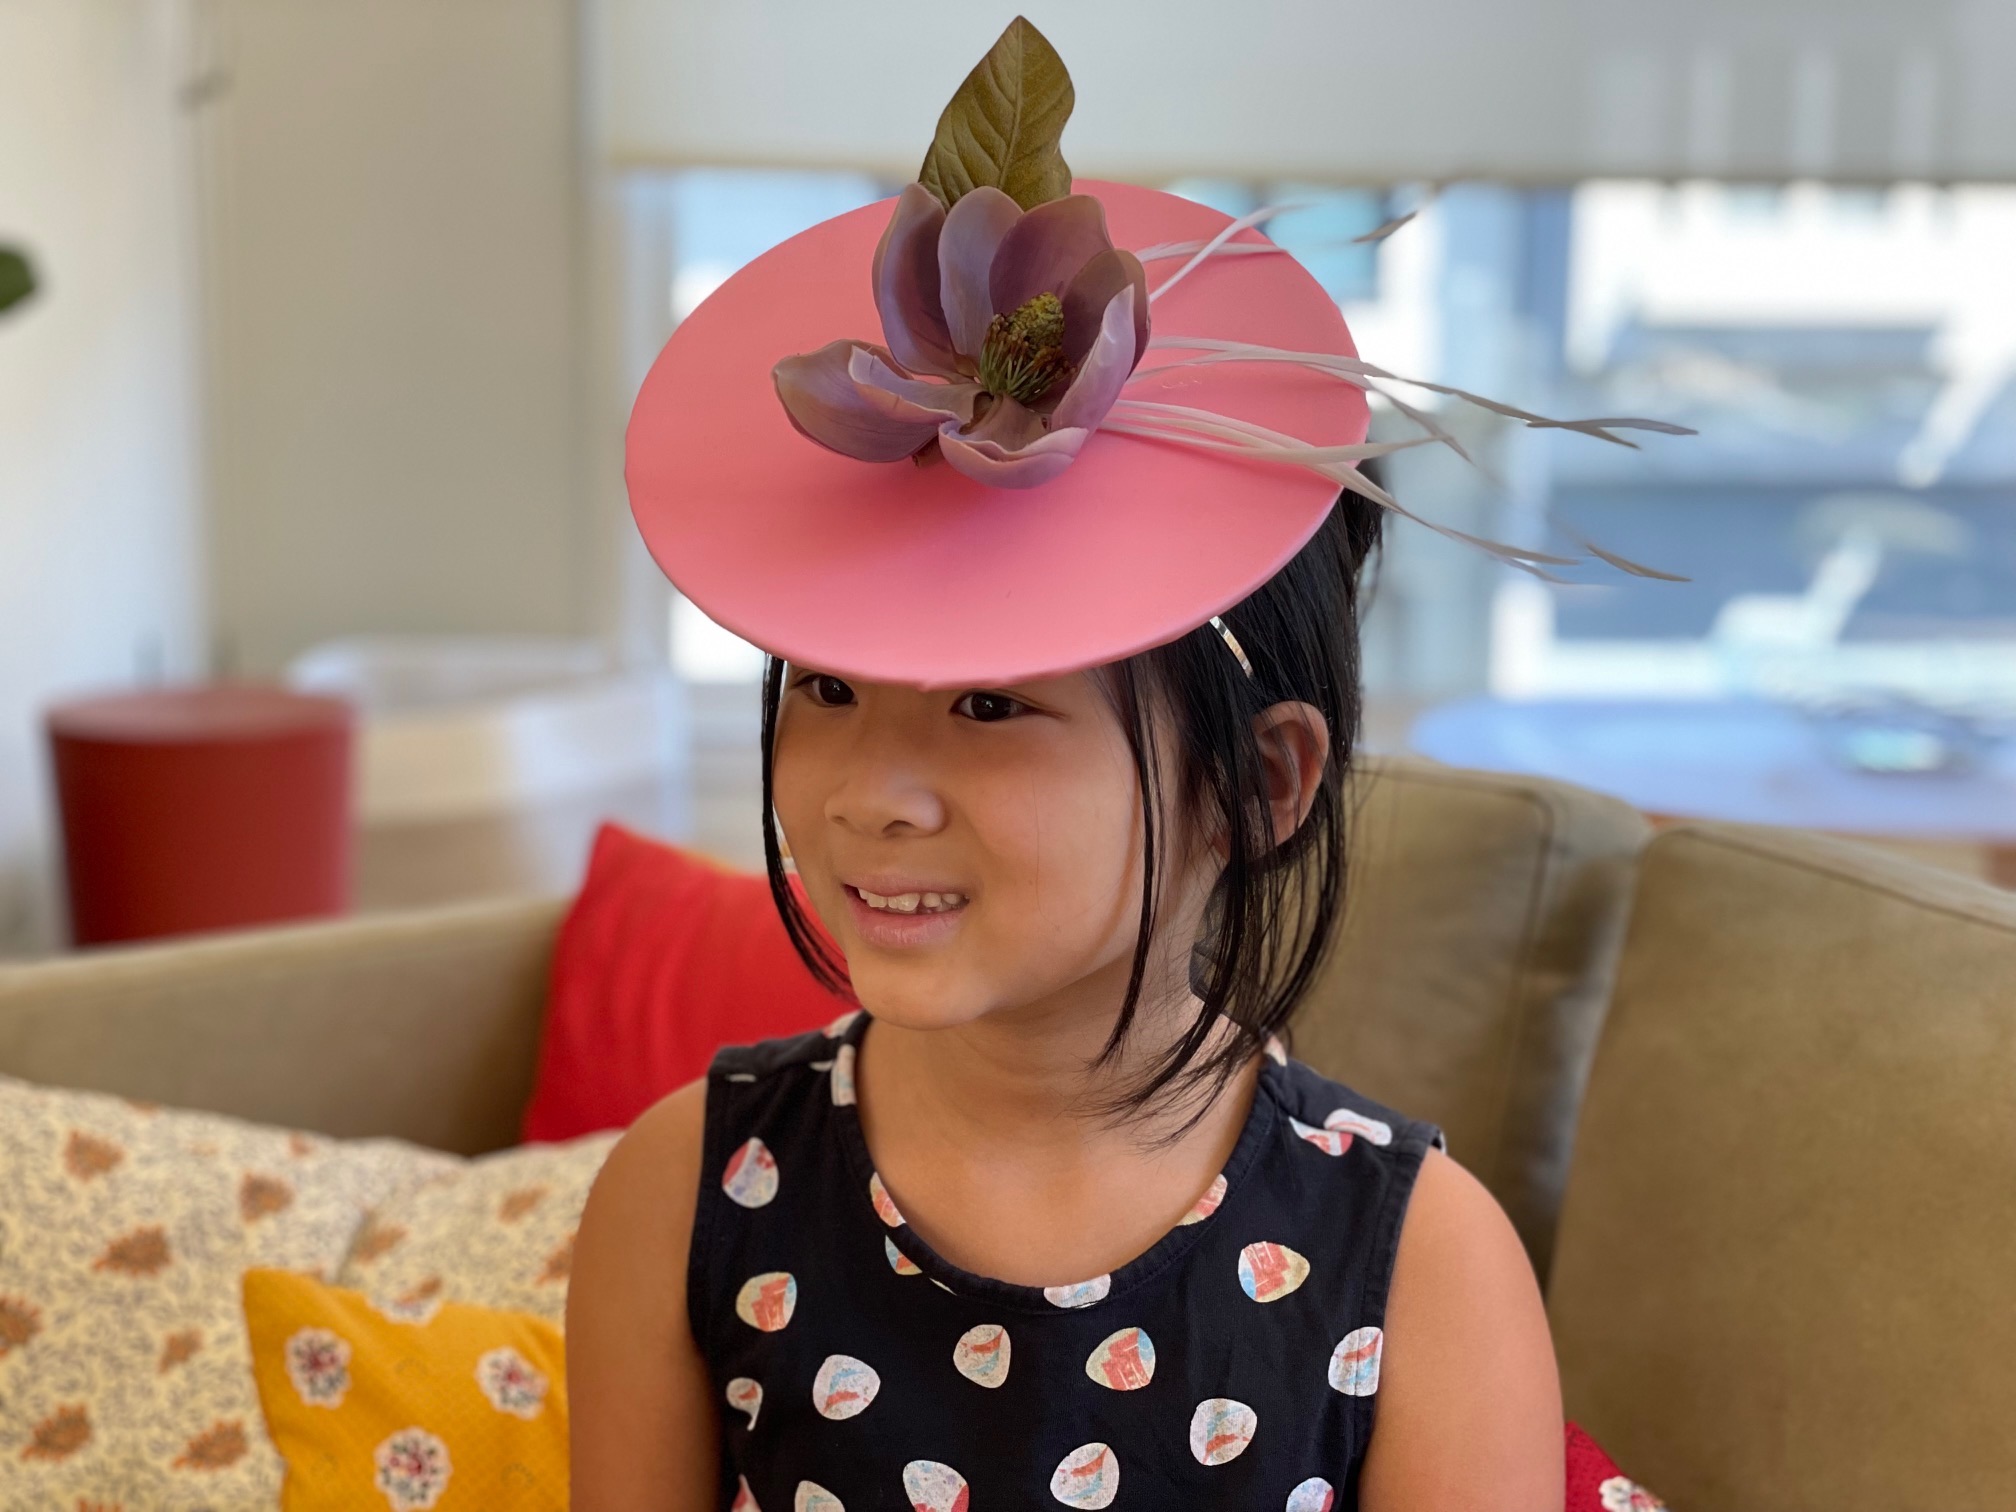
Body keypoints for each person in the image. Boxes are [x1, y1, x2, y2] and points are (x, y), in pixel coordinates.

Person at [566, 21, 1681, 1510]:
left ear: (1262, 788)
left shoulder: (1416, 1266)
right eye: (826, 687)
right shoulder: (690, 1191)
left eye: (985, 709)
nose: (864, 792)